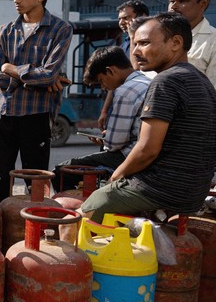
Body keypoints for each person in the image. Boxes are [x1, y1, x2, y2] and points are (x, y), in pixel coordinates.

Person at [80, 13, 216, 222]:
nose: (135, 52)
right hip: (194, 191)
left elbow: (147, 150)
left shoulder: (166, 81)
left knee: (86, 211)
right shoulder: (202, 80)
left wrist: (116, 177)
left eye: (143, 43)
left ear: (175, 43)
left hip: (161, 188)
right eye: (134, 44)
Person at [0, 0, 72, 204]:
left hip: (36, 114)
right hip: (2, 113)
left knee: (35, 183)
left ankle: (34, 234)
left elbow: (48, 75)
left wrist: (12, 69)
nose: (16, 0)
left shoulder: (60, 29)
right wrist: (36, 78)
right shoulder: (4, 31)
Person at [54, 46, 150, 192]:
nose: (104, 87)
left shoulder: (126, 91)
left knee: (62, 171)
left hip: (130, 157)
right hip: (140, 151)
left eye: (101, 81)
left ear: (110, 71)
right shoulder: (145, 81)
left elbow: (115, 144)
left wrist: (107, 140)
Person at [97, 0, 150, 130]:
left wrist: (133, 36)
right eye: (120, 19)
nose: (121, 22)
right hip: (119, 105)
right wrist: (105, 111)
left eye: (126, 18)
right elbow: (114, 82)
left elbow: (136, 68)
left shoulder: (148, 42)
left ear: (142, 16)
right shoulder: (125, 44)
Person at [168, 0, 216, 86]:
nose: (173, 7)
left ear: (203, 3)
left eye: (182, 1)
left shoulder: (213, 41)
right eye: (172, 1)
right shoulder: (156, 35)